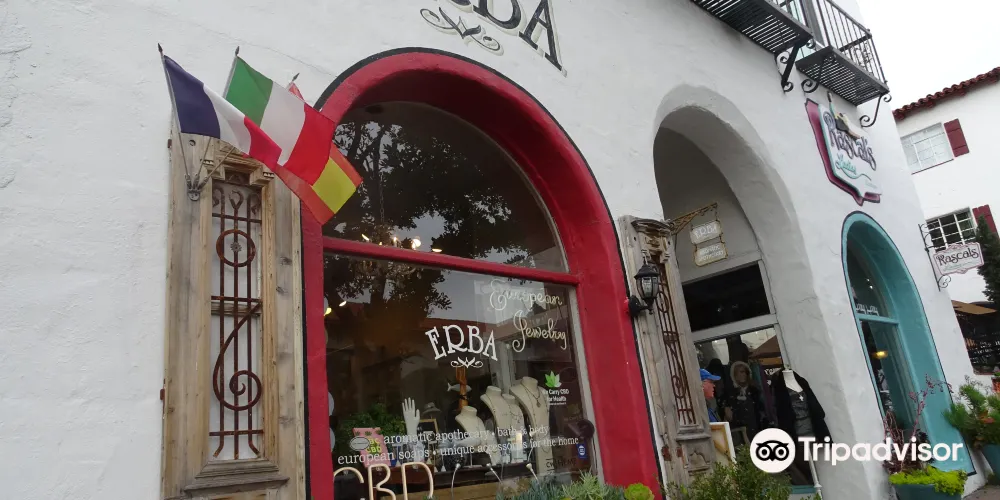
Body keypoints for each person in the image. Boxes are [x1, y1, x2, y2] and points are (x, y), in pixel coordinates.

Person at [726, 361, 768, 439]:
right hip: (740, 433)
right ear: (734, 374)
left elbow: (762, 410)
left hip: (757, 429)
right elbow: (728, 415)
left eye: (746, 372)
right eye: (741, 372)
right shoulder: (730, 393)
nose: (744, 374)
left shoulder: (754, 391)